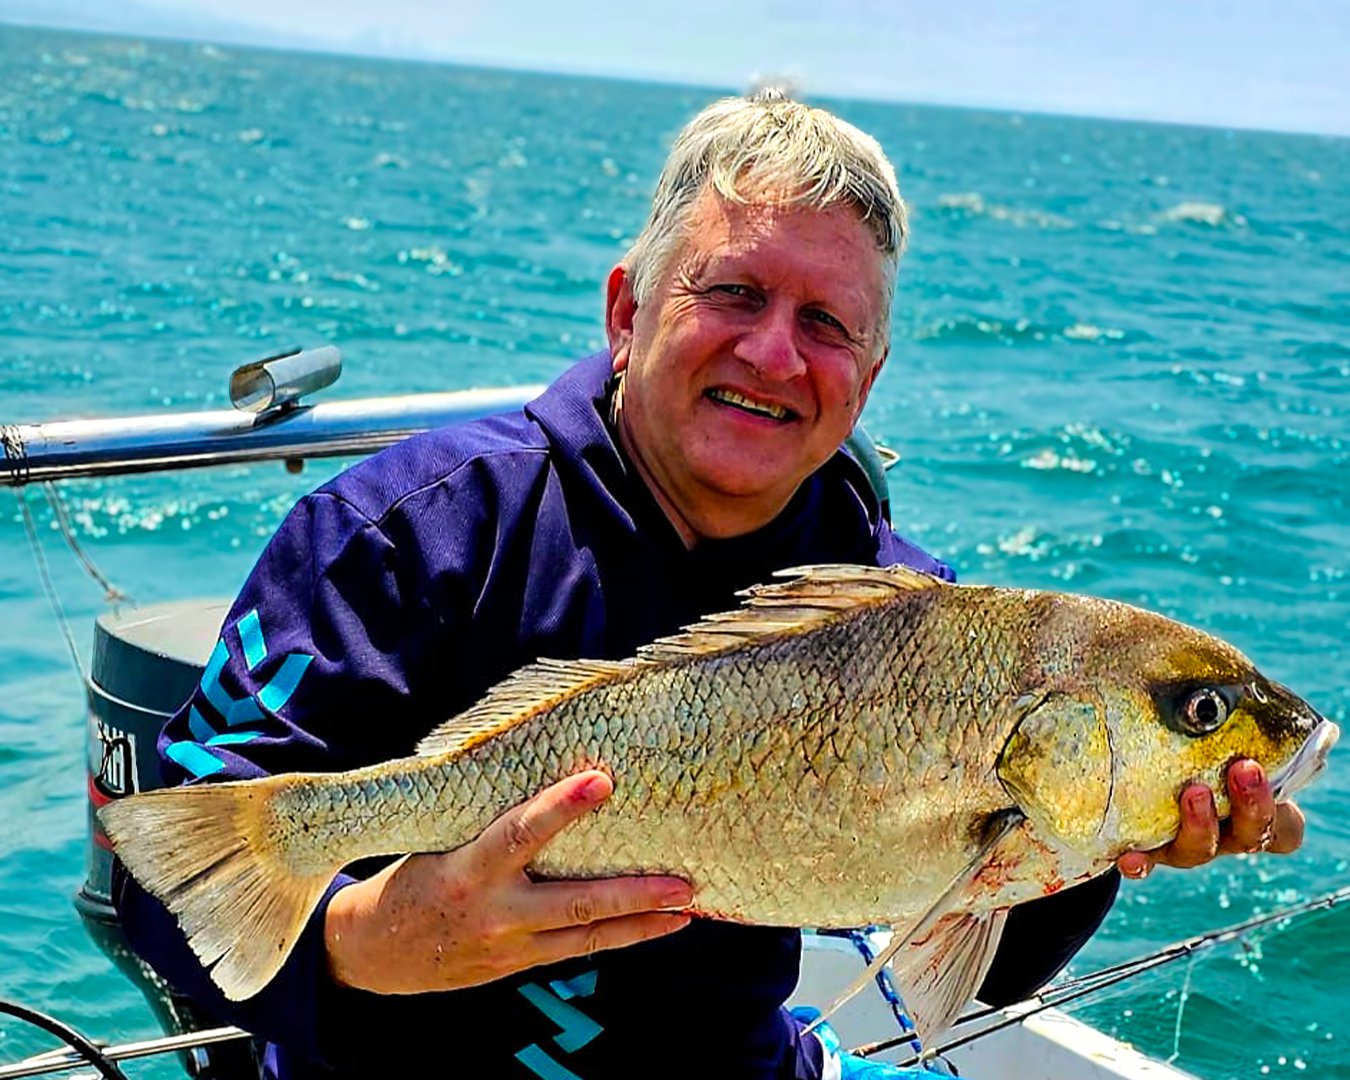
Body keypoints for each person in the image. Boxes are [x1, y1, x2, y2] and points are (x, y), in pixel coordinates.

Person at [114, 88, 1304, 1080]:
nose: (775, 352)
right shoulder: (398, 534)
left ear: (869, 379)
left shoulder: (912, 612)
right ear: (628, 309)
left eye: (828, 323)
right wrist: (364, 941)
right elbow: (171, 884)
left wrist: (1094, 852)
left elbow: (963, 944)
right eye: (733, 292)